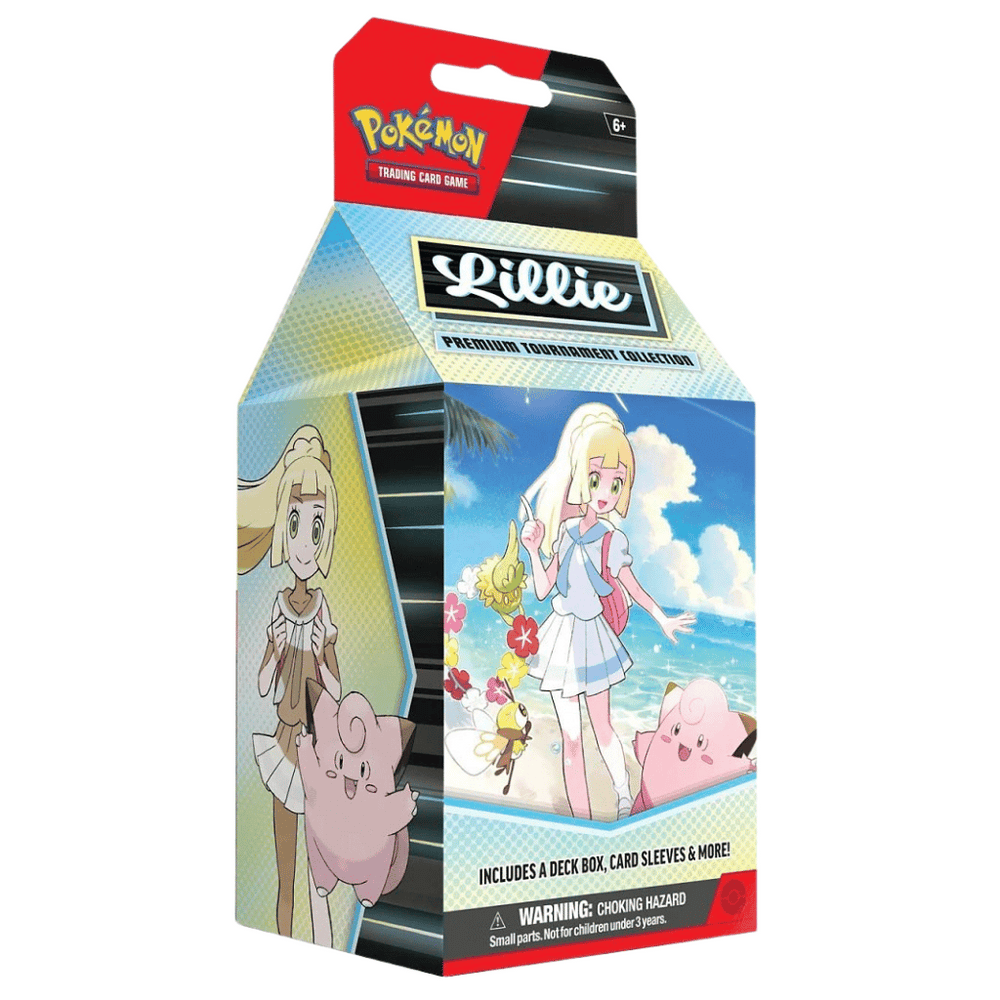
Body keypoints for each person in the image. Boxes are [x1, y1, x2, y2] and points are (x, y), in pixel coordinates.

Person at [520, 403, 696, 819]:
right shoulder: (564, 532)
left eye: (615, 484)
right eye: (596, 478)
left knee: (602, 729)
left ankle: (621, 795)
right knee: (571, 738)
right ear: (581, 477)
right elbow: (544, 589)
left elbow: (632, 586)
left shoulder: (612, 539)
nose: (604, 492)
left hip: (593, 638)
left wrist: (661, 618)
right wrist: (532, 550)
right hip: (560, 638)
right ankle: (580, 818)